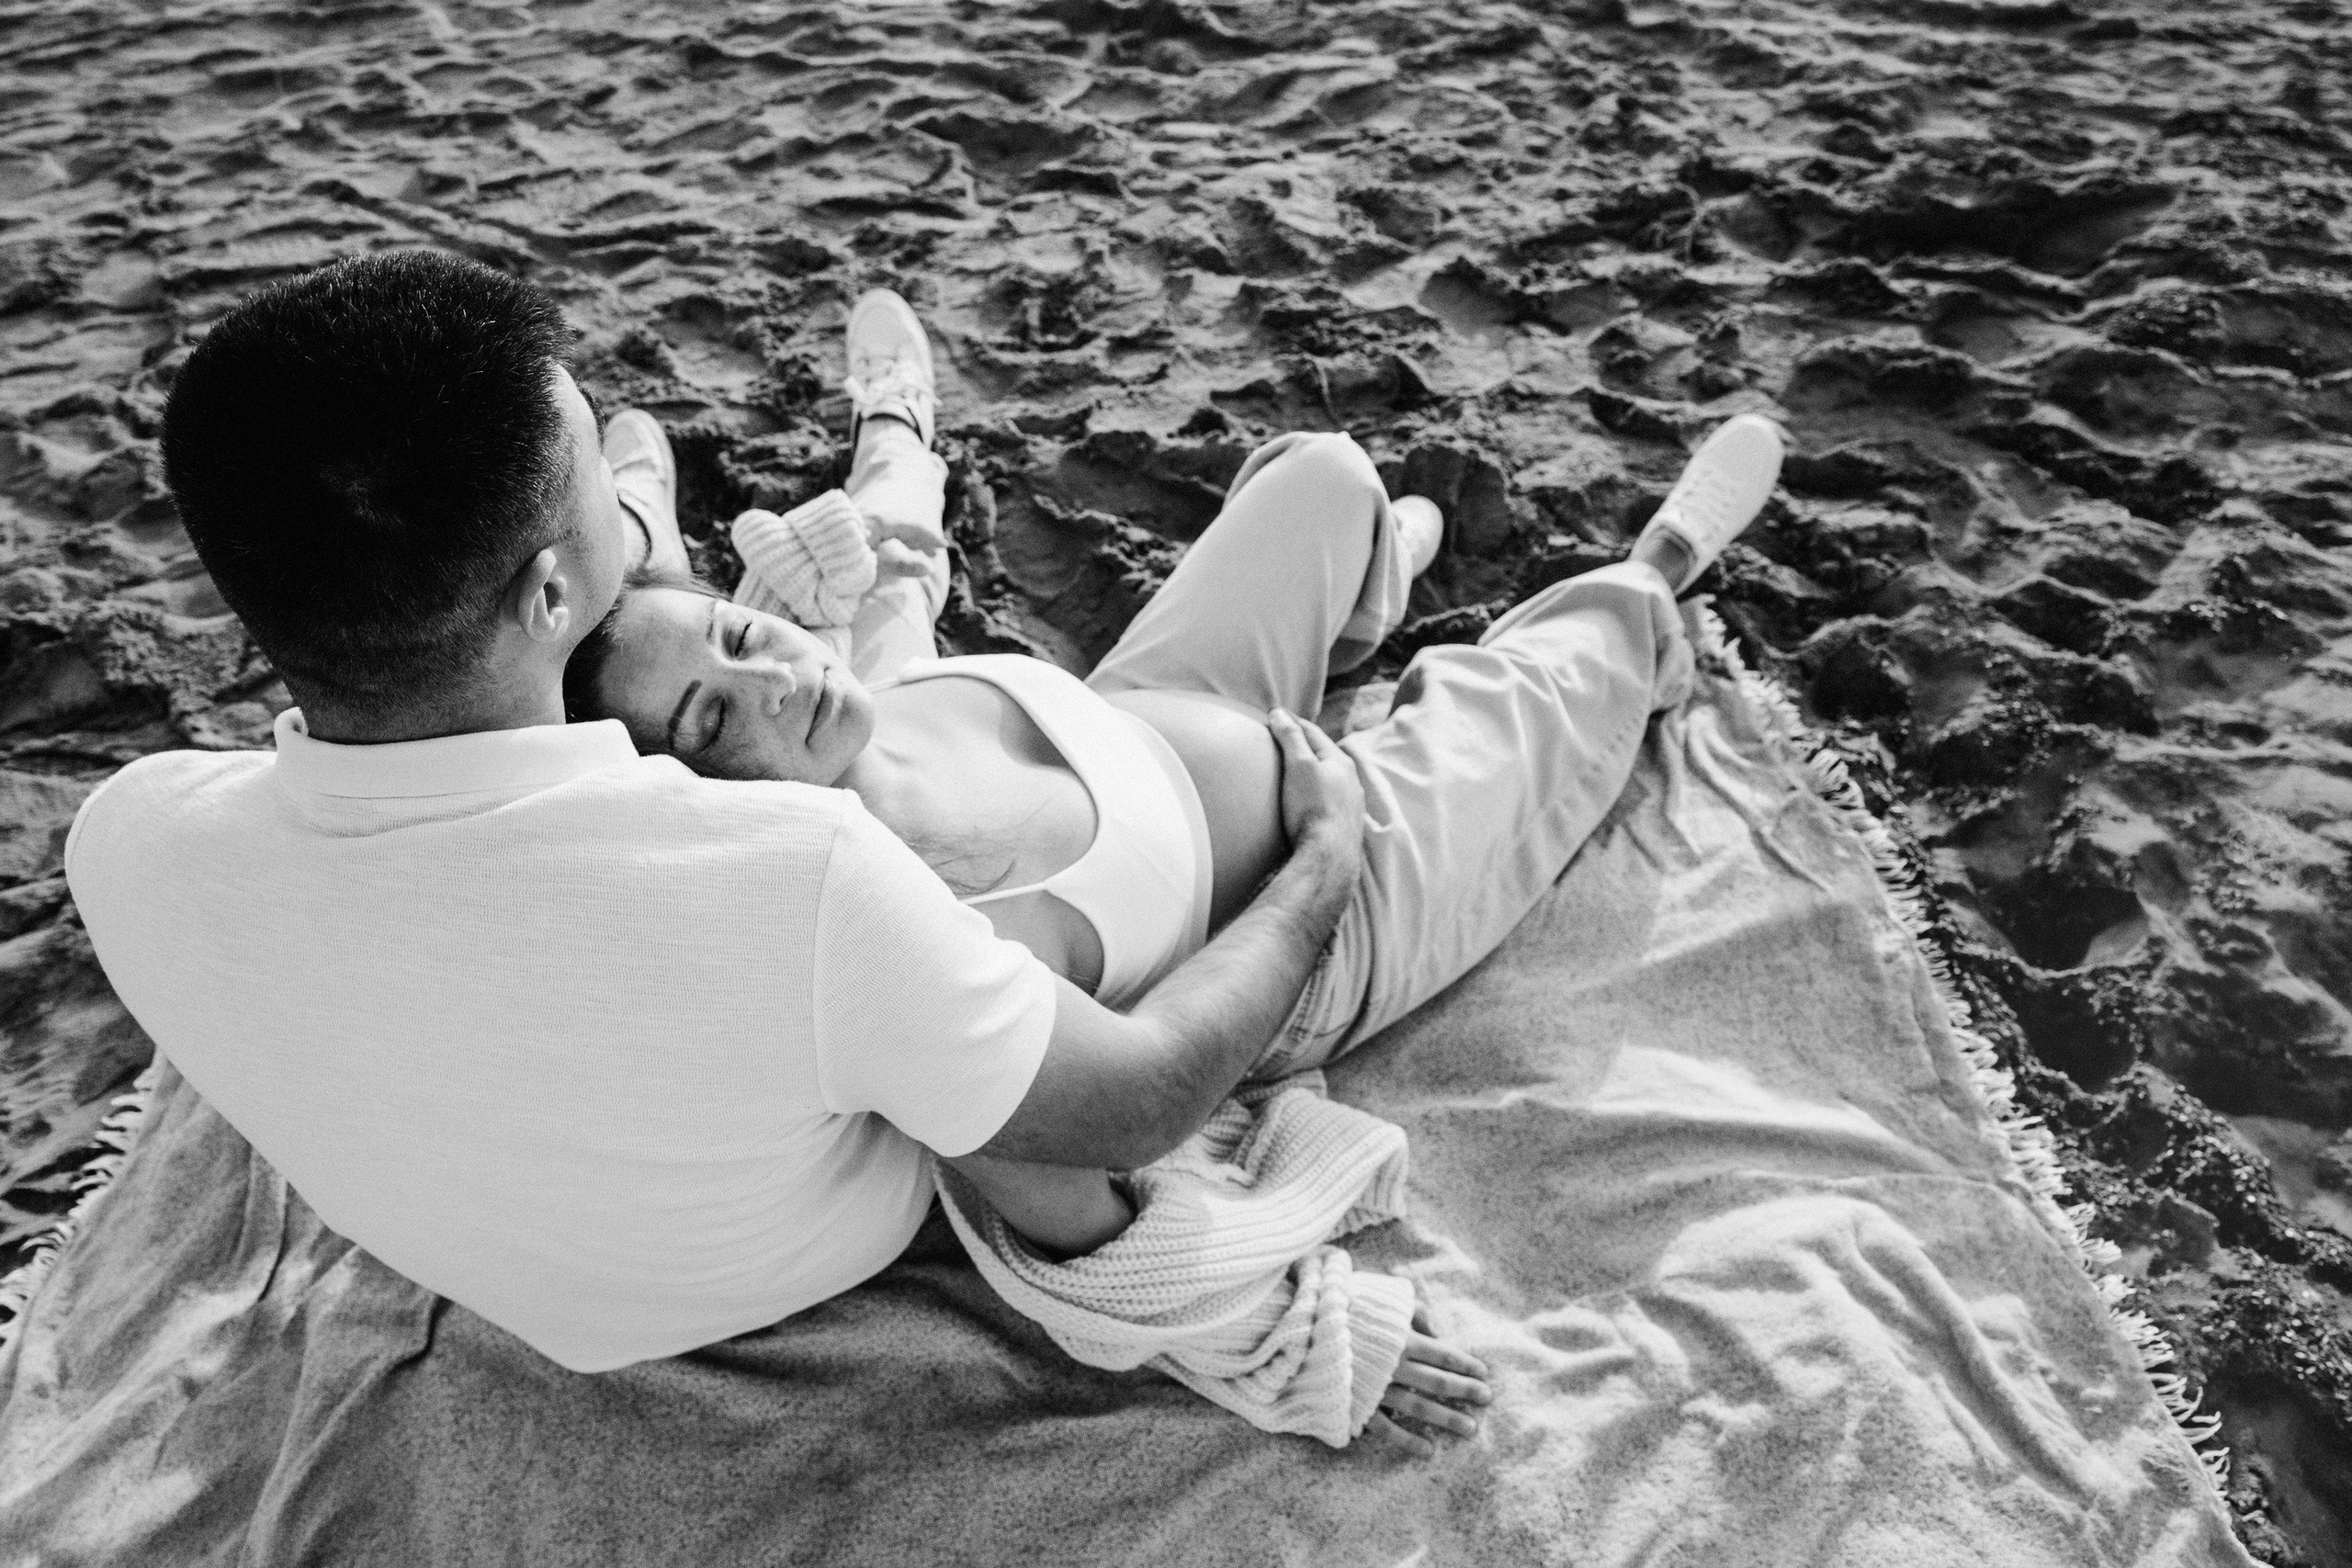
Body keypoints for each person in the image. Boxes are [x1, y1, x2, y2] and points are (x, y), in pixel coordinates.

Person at [54, 250, 1507, 1453]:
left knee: (843, 628)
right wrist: (1318, 864)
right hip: (836, 1194)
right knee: (866, 650)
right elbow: (1120, 1113)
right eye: (602, 497)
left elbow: (579, 632)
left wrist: (640, 516)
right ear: (556, 587)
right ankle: (1490, 591)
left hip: (565, 1269)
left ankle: (956, 468)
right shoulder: (780, 871)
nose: (634, 517)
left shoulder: (131, 842)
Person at [566, 294, 1781, 1304]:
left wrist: (886, 437)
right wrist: (1324, 858)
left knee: (1323, 474)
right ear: (695, 808)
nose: (776, 679)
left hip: (1151, 709)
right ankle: (1659, 576)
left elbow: (894, 571)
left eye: (734, 635)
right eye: (715, 717)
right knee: (1537, 709)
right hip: (1319, 907)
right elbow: (1091, 1198)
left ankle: (1374, 589)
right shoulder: (918, 949)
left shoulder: (844, 689)